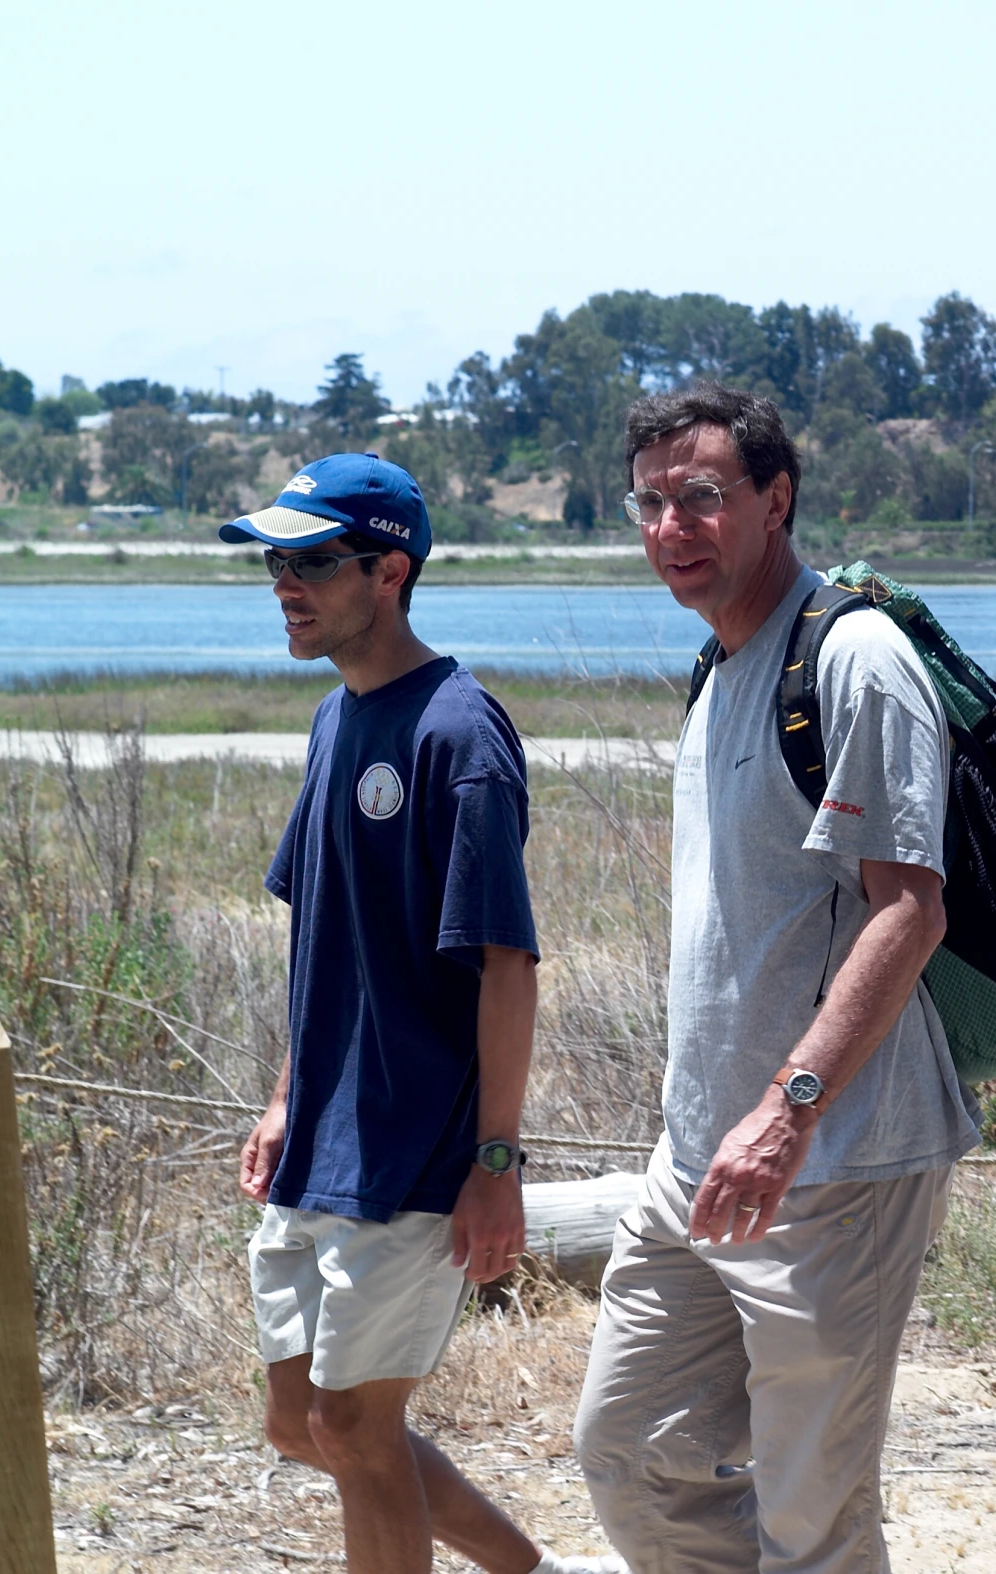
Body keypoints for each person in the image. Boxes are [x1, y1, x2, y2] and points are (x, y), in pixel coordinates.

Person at [572, 387, 977, 1573]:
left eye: (701, 497)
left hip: (832, 1164)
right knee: (627, 1451)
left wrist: (786, 1108)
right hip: (695, 1161)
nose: (670, 528)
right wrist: (721, 1129)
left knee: (815, 1519)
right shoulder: (719, 663)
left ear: (776, 499)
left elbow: (910, 909)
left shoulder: (852, 658)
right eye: (648, 503)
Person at [226, 454, 615, 1574]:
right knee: (301, 1424)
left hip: (419, 1145)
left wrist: (496, 1157)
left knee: (354, 1426)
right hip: (321, 1138)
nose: (284, 585)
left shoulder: (459, 733)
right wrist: (285, 1092)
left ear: (388, 569)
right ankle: (532, 1571)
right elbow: (321, 932)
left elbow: (508, 961)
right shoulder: (331, 719)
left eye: (310, 561)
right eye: (274, 563)